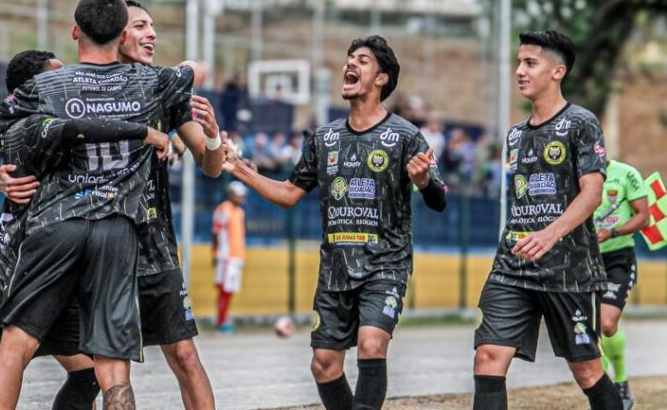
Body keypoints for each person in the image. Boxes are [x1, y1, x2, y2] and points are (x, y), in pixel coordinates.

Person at [0, 0, 220, 409]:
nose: (150, 33)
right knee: (105, 363)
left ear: (79, 32)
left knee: (16, 345)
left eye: (153, 26)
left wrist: (211, 142)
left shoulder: (54, 85)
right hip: (110, 230)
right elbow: (195, 69)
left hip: (106, 230)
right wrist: (4, 173)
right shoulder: (152, 85)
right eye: (140, 25)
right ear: (119, 34)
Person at [223, 35, 447, 410]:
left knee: (372, 344)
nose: (351, 64)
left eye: (362, 59)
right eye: (349, 58)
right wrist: (239, 169)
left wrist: (423, 182)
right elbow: (289, 194)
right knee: (324, 365)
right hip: (334, 272)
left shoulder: (405, 136)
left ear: (381, 78)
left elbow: (439, 200)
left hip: (384, 267)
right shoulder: (324, 138)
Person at [0, 49, 166, 410]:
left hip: (58, 264)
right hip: (21, 266)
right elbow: (79, 129)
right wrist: (147, 132)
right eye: (54, 75)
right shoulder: (36, 126)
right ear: (33, 87)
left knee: (84, 373)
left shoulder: (31, 126)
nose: (64, 80)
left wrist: (1, 172)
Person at [472, 30, 622, 410]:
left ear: (558, 71)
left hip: (567, 269)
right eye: (519, 62)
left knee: (586, 369)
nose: (520, 71)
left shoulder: (581, 122)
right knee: (488, 357)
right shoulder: (515, 135)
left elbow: (592, 193)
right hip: (513, 264)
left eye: (530, 63)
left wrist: (550, 234)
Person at [595, 158, 650, 409]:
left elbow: (644, 217)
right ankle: (605, 396)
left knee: (607, 324)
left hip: (619, 259)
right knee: (591, 329)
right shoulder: (574, 173)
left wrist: (613, 232)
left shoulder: (626, 173)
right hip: (584, 259)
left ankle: (622, 381)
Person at [212, 181, 248, 332]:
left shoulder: (240, 212)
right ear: (231, 195)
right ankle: (221, 322)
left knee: (229, 291)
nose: (241, 199)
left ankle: (223, 320)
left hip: (237, 256)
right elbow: (216, 232)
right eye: (239, 196)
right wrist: (216, 253)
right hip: (226, 256)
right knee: (224, 290)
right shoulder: (223, 209)